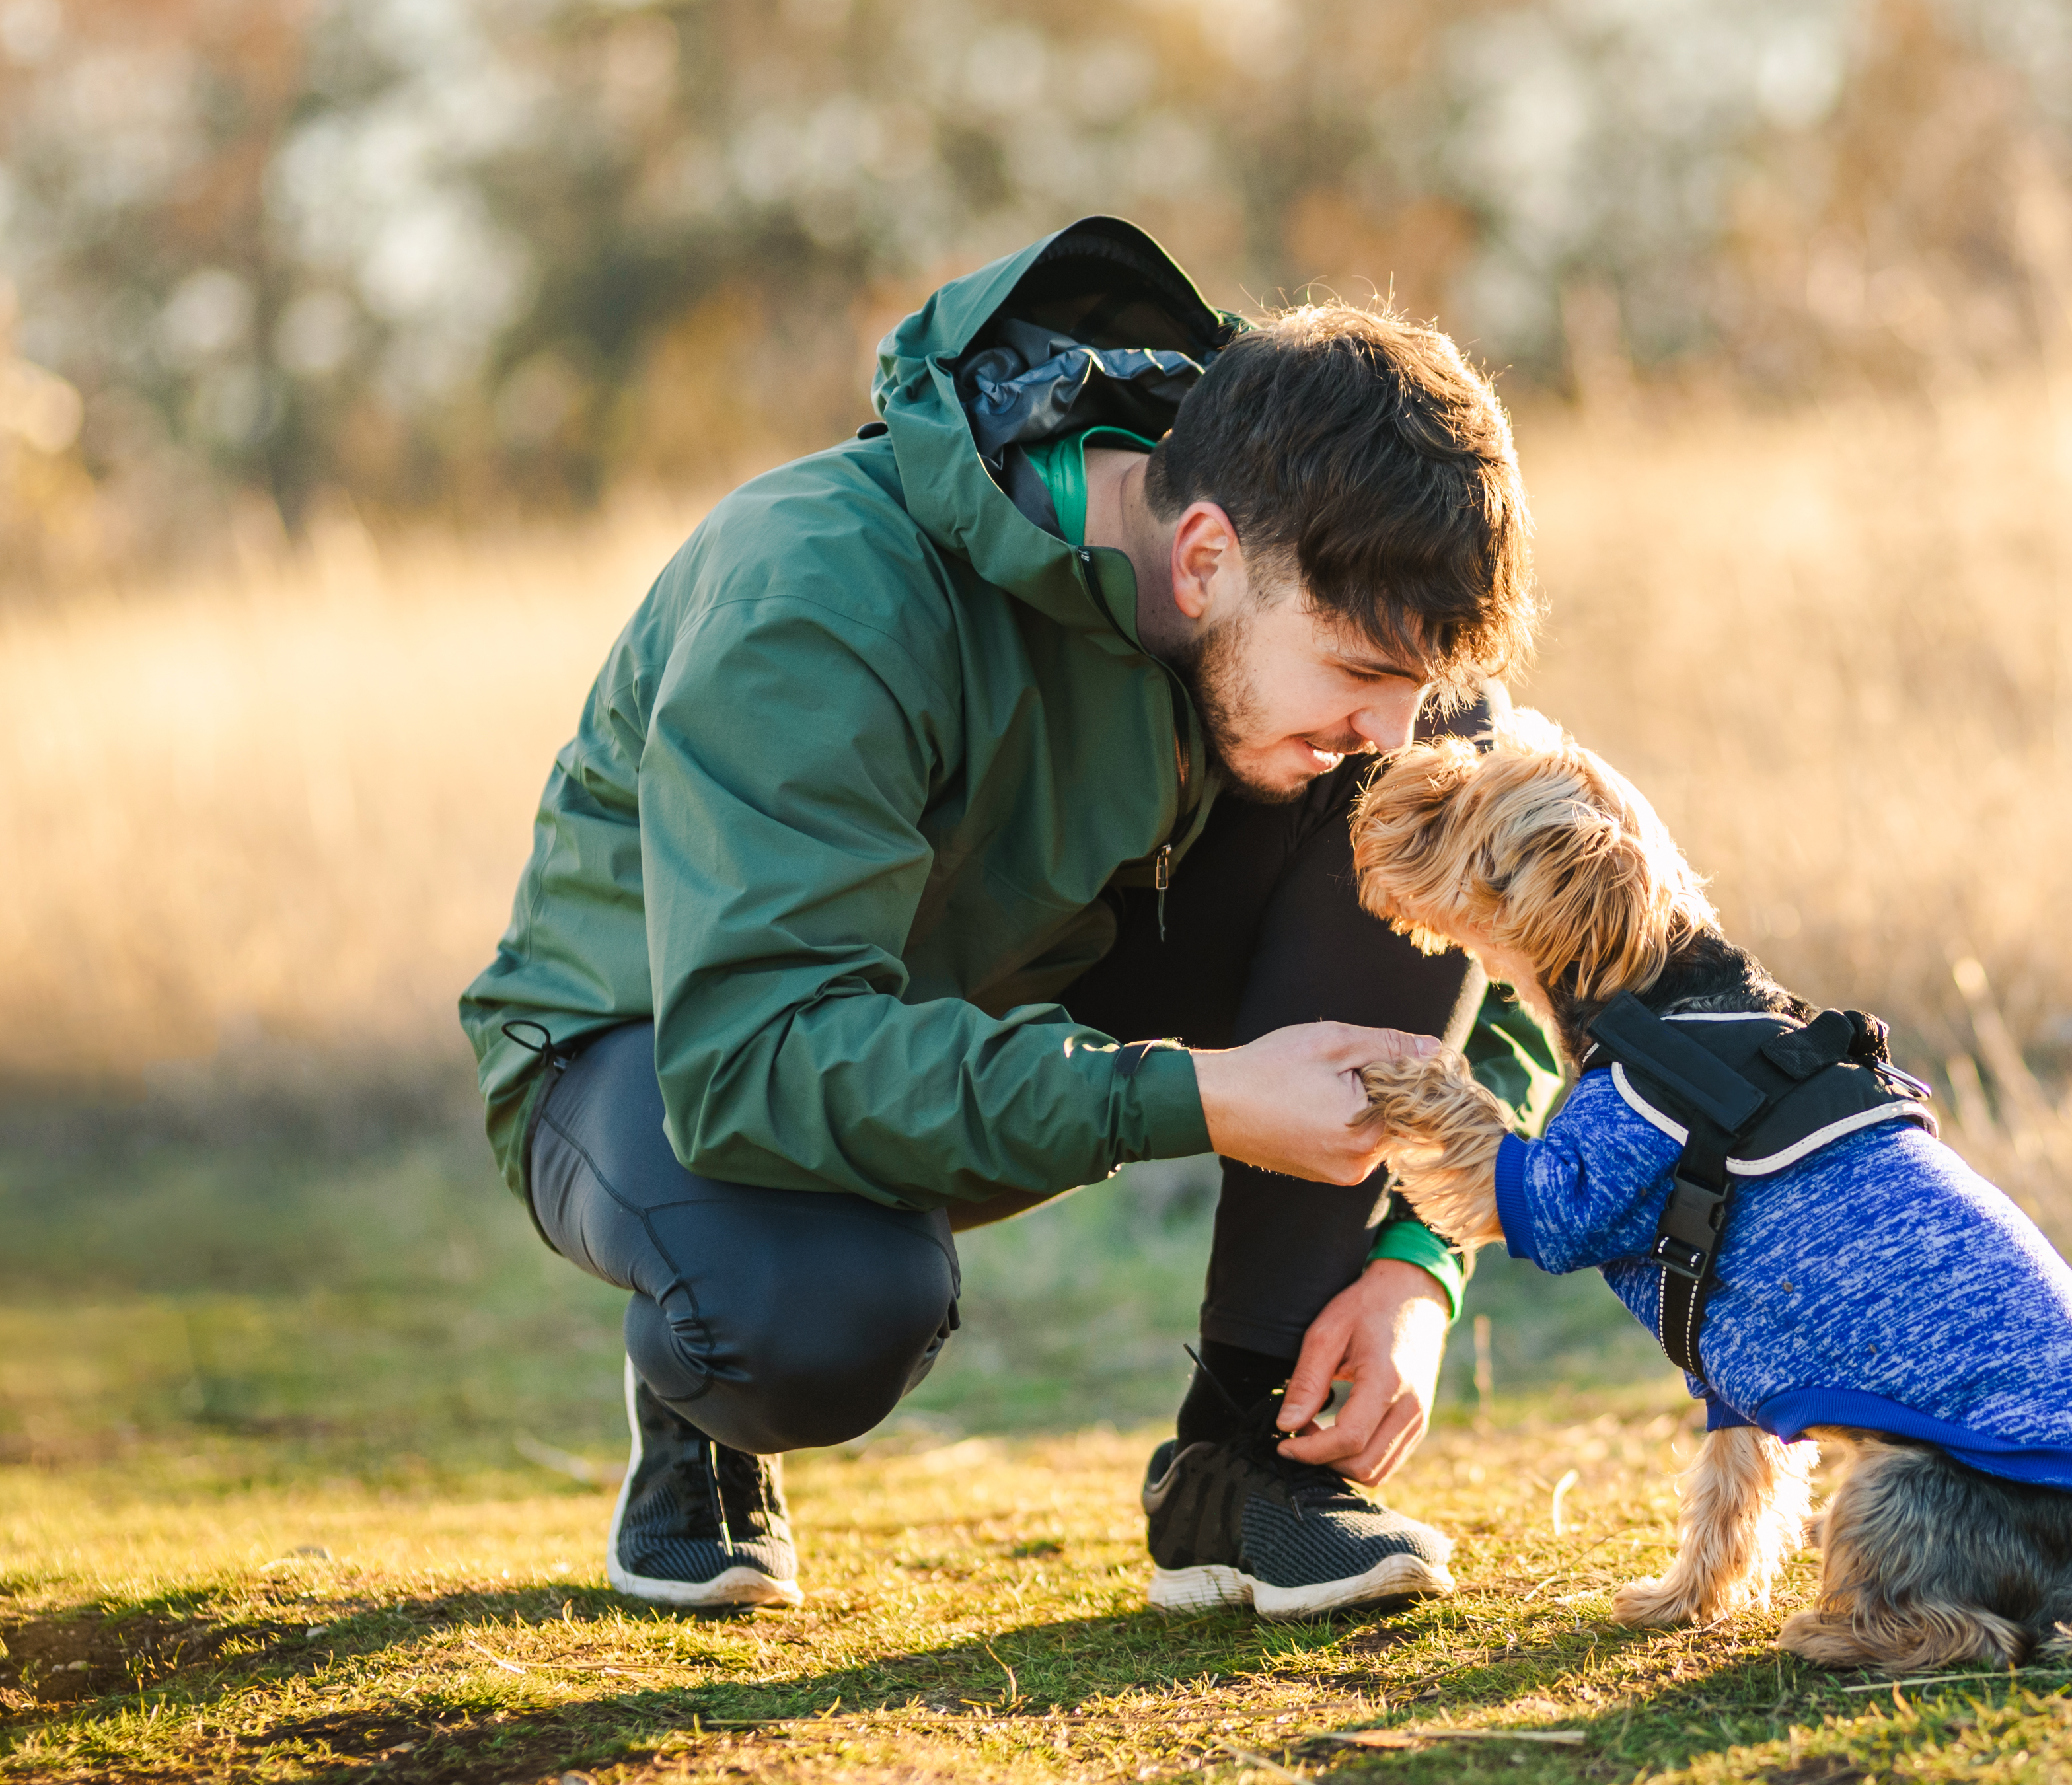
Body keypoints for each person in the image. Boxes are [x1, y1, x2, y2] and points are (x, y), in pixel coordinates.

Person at [457, 217, 1554, 1620]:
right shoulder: (821, 589)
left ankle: (1247, 1467)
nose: (1380, 724)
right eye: (1353, 668)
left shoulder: (1327, 654)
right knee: (816, 1322)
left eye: (1405, 683)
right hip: (661, 1045)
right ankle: (699, 1397)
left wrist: (1415, 1256)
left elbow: (1531, 949)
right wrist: (1189, 1098)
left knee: (1413, 794)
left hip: (1001, 975)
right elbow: (755, 1059)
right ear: (1205, 554)